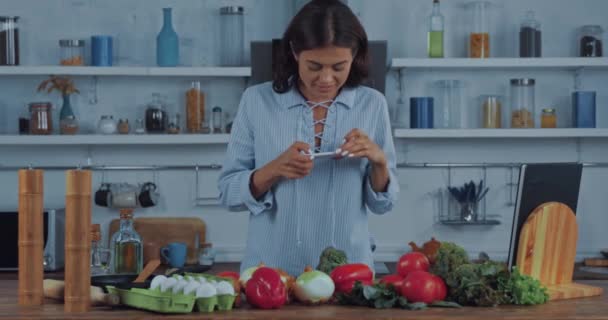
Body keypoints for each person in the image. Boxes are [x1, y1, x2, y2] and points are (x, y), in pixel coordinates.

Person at [217, 0, 399, 277]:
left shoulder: (372, 104)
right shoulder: (257, 101)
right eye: (314, 66)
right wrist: (273, 170)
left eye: (339, 66)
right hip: (270, 275)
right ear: (294, 52)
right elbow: (229, 194)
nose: (326, 78)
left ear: (355, 56)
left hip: (349, 274)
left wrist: (379, 163)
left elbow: (383, 204)